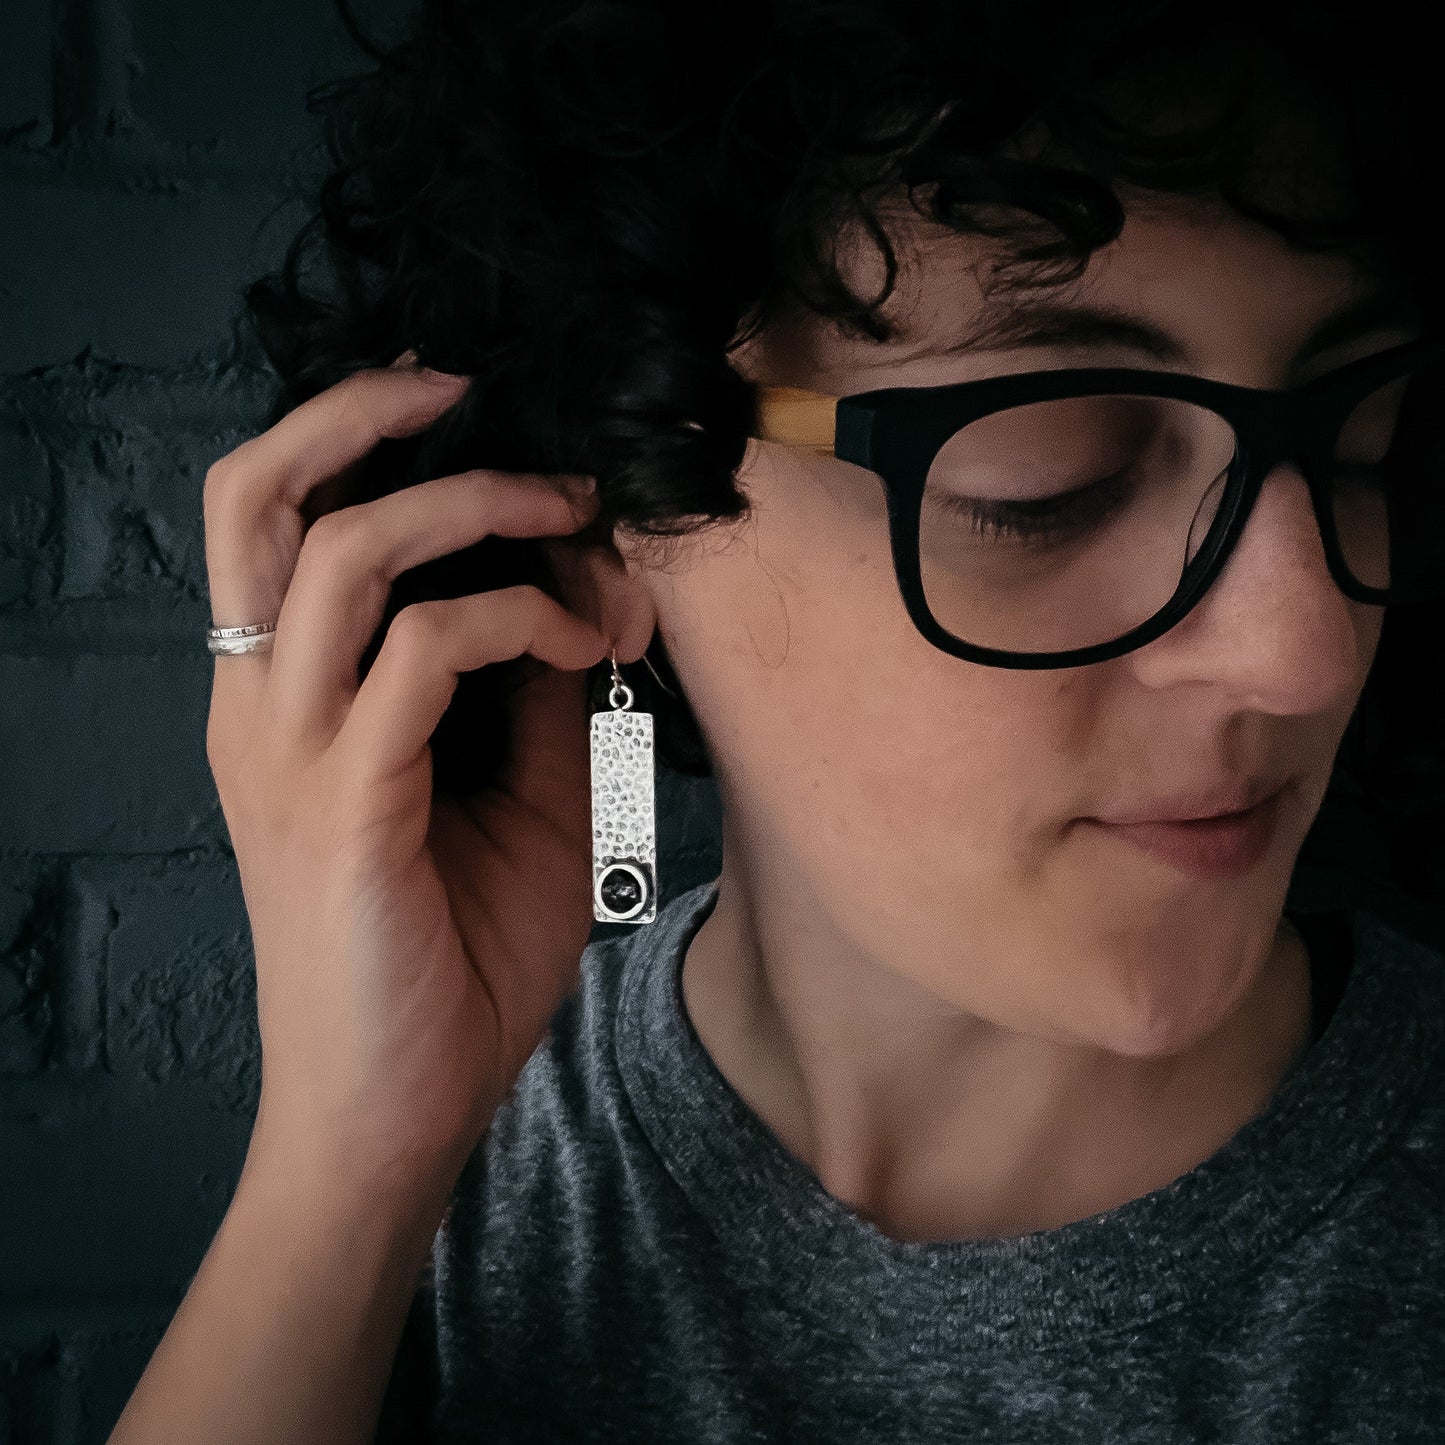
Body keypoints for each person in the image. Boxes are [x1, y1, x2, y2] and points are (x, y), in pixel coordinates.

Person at [109, 0, 1445, 1440]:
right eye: (1039, 475)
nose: (1302, 649)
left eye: (1355, 440)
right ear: (611, 515)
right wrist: (339, 1172)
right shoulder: (447, 1177)